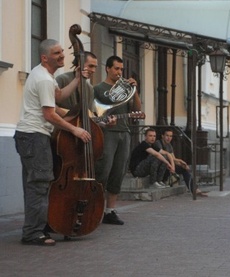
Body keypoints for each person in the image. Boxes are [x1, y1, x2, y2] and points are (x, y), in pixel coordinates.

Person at [14, 39, 91, 246]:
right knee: (38, 186)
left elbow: (57, 98)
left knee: (36, 185)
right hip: (35, 136)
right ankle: (33, 233)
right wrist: (75, 128)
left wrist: (76, 79)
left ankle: (37, 227)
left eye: (61, 52)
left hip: (30, 136)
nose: (62, 55)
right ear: (45, 57)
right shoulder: (44, 79)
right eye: (57, 53)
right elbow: (49, 114)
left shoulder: (44, 75)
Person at [94, 55, 141, 225]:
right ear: (107, 68)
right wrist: (105, 121)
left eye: (121, 69)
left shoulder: (126, 89)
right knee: (103, 169)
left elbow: (137, 110)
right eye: (116, 68)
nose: (119, 72)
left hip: (124, 132)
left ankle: (110, 211)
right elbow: (95, 113)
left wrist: (135, 91)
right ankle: (95, 208)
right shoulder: (98, 88)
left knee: (118, 171)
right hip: (107, 134)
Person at [155, 128, 209, 196]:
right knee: (169, 165)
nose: (169, 138)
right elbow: (164, 157)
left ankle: (194, 190)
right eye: (167, 135)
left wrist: (182, 164)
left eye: (171, 136)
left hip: (168, 166)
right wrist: (176, 163)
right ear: (162, 136)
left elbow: (173, 159)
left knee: (184, 169)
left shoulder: (169, 146)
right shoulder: (158, 143)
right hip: (159, 167)